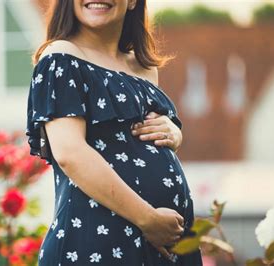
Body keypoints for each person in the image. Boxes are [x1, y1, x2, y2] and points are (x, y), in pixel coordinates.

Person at [25, 0, 203, 265]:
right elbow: (70, 153)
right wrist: (148, 218)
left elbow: (140, 142)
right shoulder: (60, 56)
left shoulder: (144, 68)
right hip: (98, 244)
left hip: (164, 245)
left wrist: (174, 133)